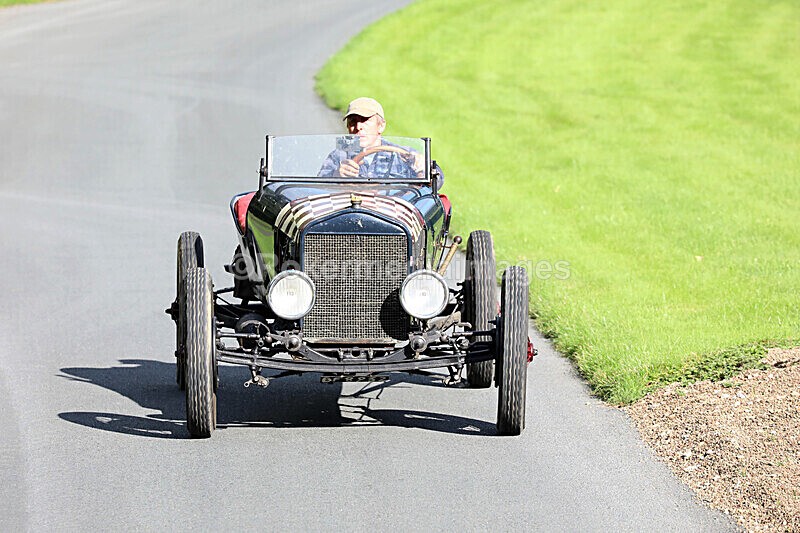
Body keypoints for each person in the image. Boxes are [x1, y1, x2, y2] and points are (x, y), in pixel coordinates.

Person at [318, 97, 430, 181]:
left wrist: (422, 169)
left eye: (365, 120)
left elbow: (437, 180)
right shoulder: (340, 154)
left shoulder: (401, 154)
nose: (358, 127)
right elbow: (318, 186)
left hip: (390, 210)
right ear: (347, 127)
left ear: (381, 126)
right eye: (353, 121)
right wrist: (336, 175)